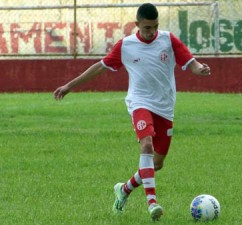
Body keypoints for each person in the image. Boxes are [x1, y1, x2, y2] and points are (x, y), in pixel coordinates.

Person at [53, 2, 210, 221]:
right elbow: (99, 67)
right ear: (137, 25)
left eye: (155, 26)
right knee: (146, 144)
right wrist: (69, 86)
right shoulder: (126, 45)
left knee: (157, 163)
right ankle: (152, 203)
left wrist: (200, 69)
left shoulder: (168, 39)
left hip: (164, 107)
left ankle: (124, 189)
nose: (151, 31)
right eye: (147, 27)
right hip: (140, 102)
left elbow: (190, 62)